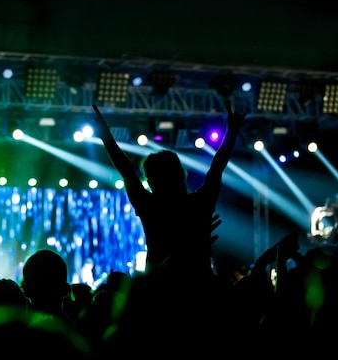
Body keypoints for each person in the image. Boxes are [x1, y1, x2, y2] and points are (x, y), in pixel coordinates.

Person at [90, 100, 245, 276]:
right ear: (181, 174)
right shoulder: (200, 202)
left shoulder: (149, 205)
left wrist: (107, 138)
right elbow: (217, 167)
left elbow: (127, 171)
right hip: (198, 285)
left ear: (151, 180)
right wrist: (231, 133)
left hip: (159, 286)